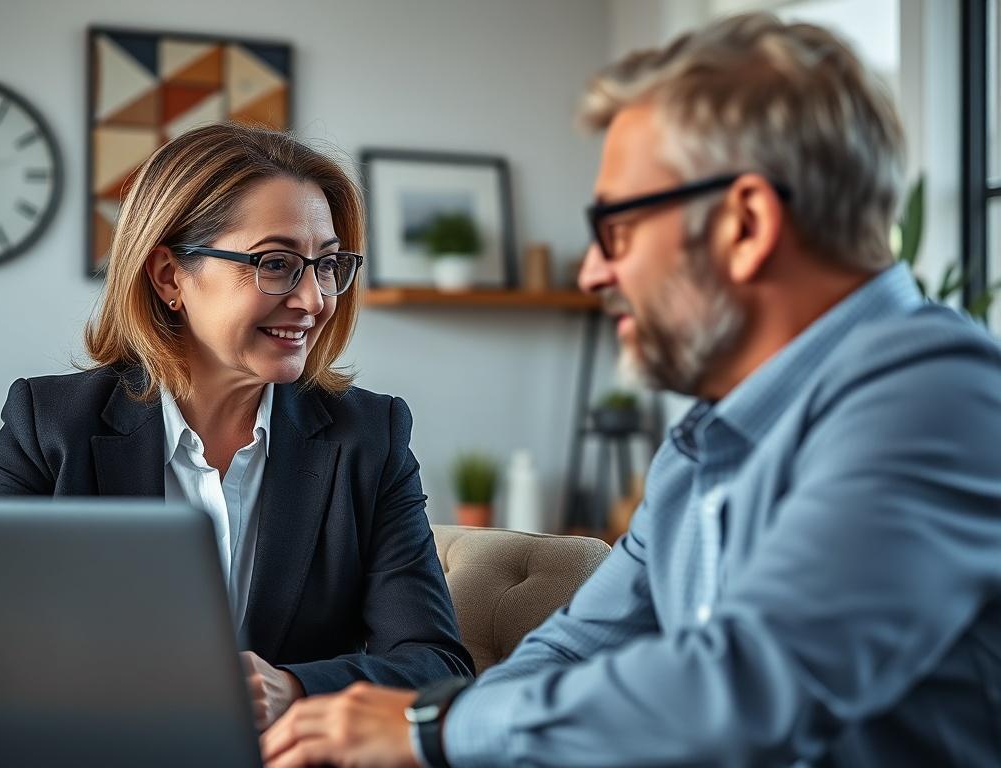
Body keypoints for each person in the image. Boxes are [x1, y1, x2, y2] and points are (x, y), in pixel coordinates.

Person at [257, 13, 1001, 768]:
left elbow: (749, 688)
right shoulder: (705, 445)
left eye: (617, 229)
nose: (593, 274)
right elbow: (579, 646)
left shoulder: (938, 395)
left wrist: (430, 730)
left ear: (746, 223)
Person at [0, 123, 474, 730]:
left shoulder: (369, 436)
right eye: (276, 264)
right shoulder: (48, 426)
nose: (314, 300)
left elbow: (435, 664)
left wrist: (292, 686)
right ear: (169, 277)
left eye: (327, 266)